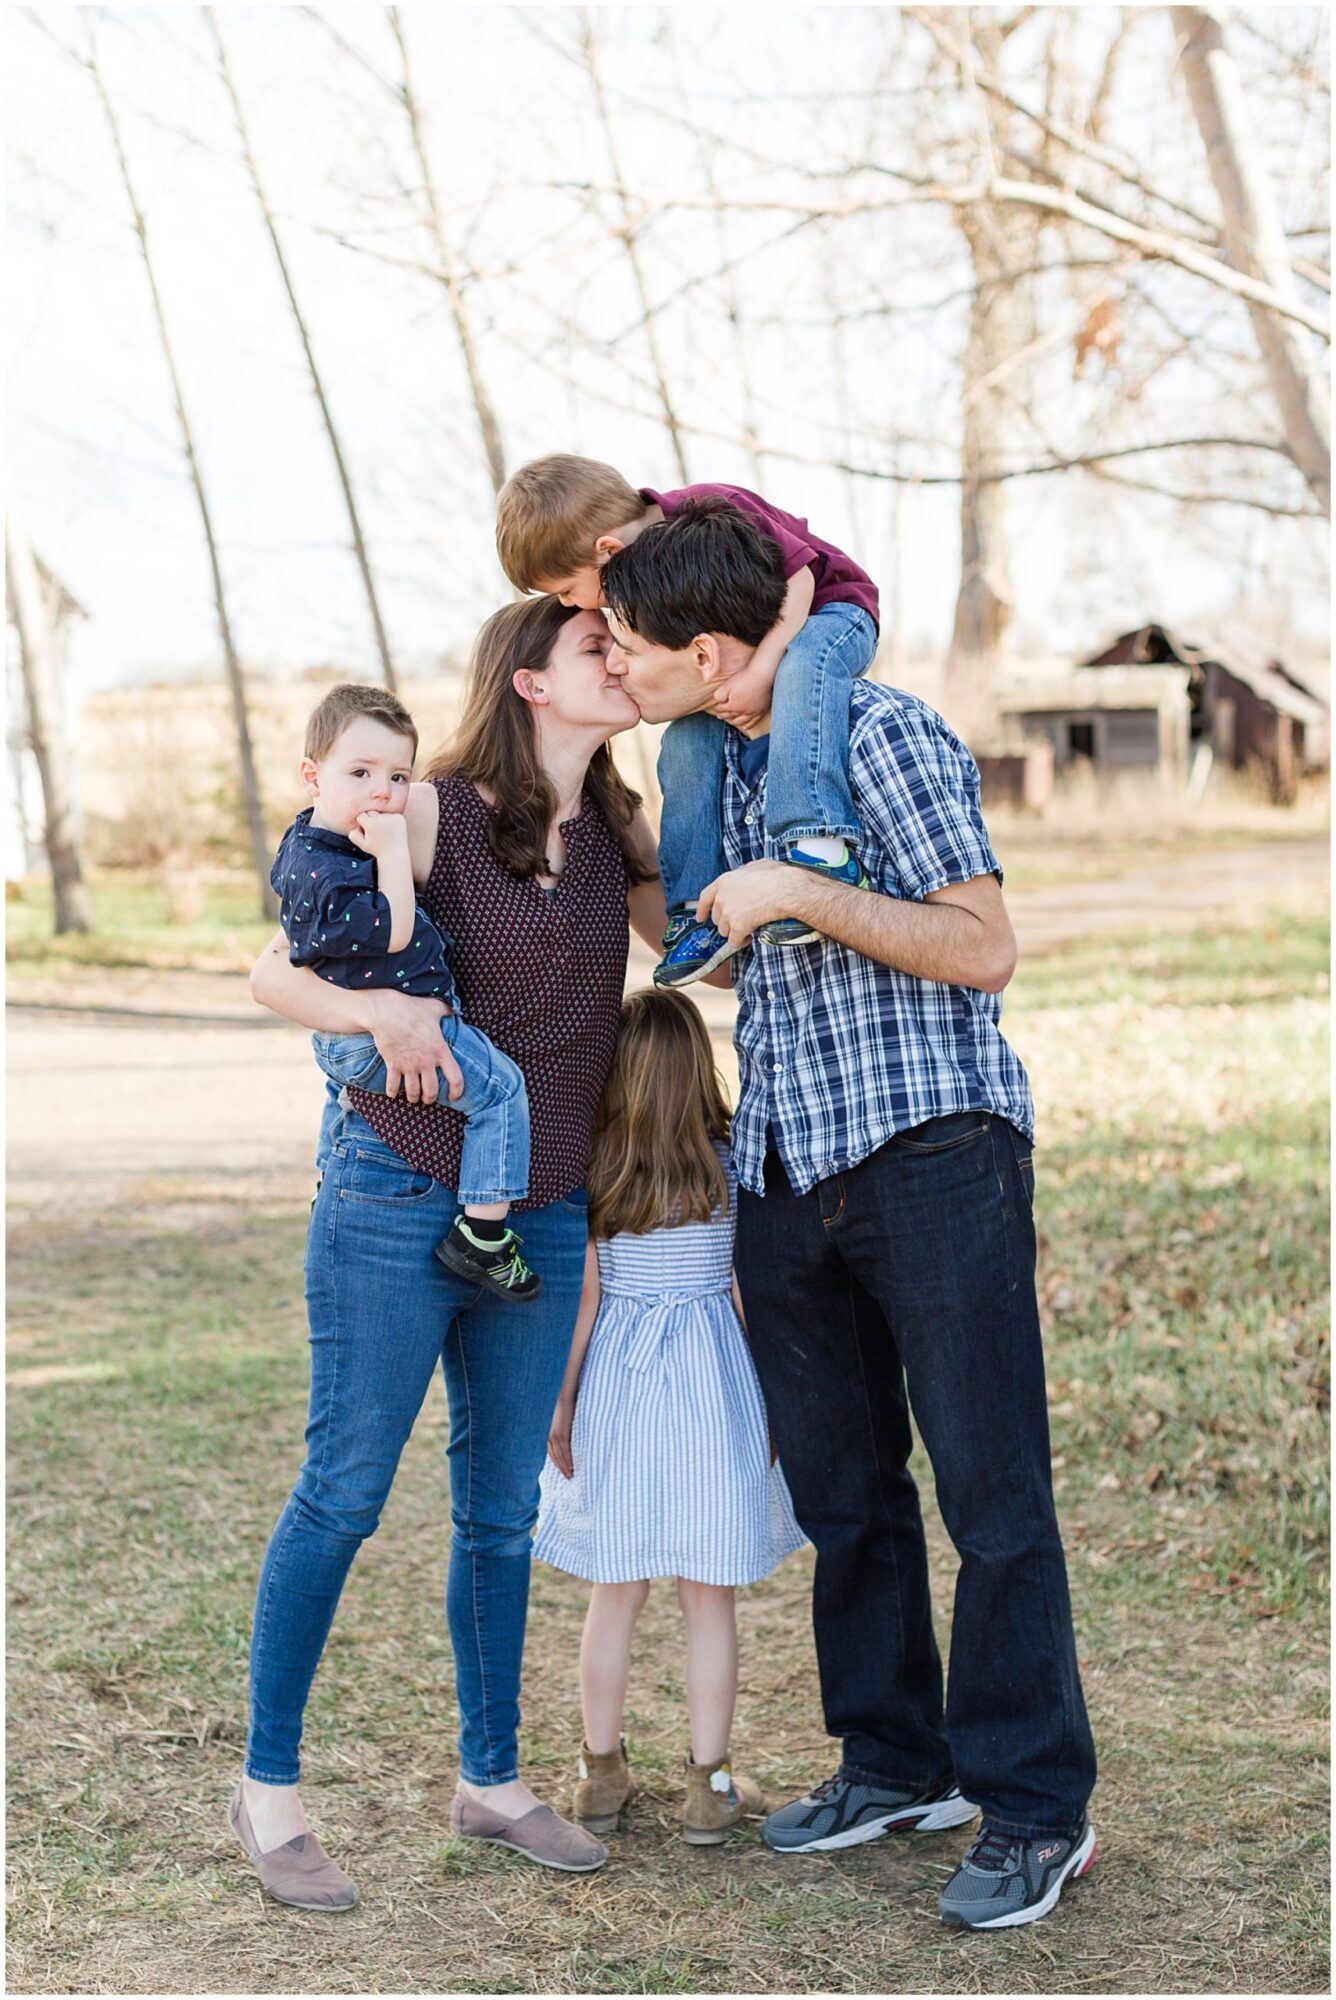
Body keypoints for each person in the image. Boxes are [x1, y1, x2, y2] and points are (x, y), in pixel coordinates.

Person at [599, 501, 1099, 1933]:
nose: (617, 663)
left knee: (991, 1496)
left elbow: (982, 943)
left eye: (630, 645)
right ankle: (895, 1760)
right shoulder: (719, 765)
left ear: (707, 647)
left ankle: (1034, 1810)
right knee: (844, 1494)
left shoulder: (880, 736)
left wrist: (801, 890)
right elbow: (706, 940)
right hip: (785, 1165)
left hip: (932, 1150)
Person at [234, 598, 666, 1905]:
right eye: (603, 645)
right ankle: (267, 1790)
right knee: (346, 1490)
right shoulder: (436, 808)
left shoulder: (618, 834)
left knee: (501, 1512)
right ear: (529, 681)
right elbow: (273, 970)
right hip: (392, 1188)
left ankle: (491, 1778)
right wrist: (371, 1005)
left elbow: (708, 952)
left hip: (538, 1208)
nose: (624, 659)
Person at [534, 989, 804, 1846]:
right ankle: (707, 1787)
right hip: (711, 1390)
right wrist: (770, 1402)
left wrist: (562, 1402)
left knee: (616, 1593)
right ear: (698, 1070)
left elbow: (586, 1297)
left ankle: (600, 1775)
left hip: (619, 1382)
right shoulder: (727, 1167)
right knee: (707, 1599)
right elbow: (743, 1295)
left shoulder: (596, 1172)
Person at [495, 455, 880, 987]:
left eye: (565, 591)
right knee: (685, 740)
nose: (569, 605)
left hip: (831, 613)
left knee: (802, 669)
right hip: (761, 644)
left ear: (606, 552)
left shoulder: (709, 508)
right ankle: (692, 910)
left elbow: (802, 579)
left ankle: (819, 848)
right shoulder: (641, 573)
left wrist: (763, 668)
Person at [271, 680, 538, 1301]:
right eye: (360, 772)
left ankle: (327, 1181)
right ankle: (484, 1237)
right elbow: (392, 932)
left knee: (341, 1099)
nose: (382, 792)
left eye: (397, 776)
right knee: (500, 1093)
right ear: (313, 776)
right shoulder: (327, 866)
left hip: (349, 1038)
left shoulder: (315, 840)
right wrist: (394, 852)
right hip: (371, 1033)